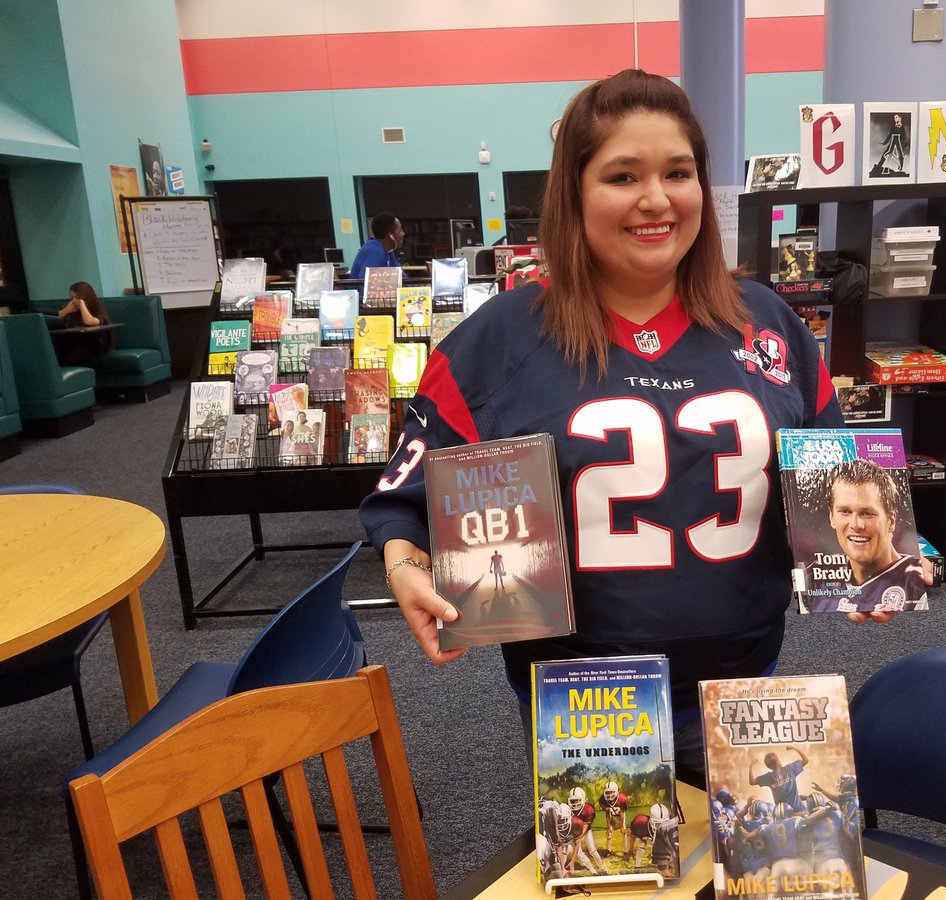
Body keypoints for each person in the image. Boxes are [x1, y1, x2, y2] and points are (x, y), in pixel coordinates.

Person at [359, 68, 913, 779]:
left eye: (677, 173)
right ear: (576, 193)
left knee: (755, 869)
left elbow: (838, 483)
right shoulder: (497, 339)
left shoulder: (770, 324)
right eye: (623, 176)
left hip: (745, 681)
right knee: (617, 869)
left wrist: (879, 564)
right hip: (585, 699)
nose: (656, 199)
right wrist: (405, 564)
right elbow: (403, 499)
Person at [824, 458, 928, 613]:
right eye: (845, 511)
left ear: (891, 521)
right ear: (832, 517)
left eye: (867, 513)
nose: (856, 524)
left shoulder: (913, 582)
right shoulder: (814, 578)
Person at [53, 281, 114, 365]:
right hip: (74, 344)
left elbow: (89, 321)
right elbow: (56, 323)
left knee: (72, 359)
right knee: (57, 352)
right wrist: (66, 311)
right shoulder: (71, 312)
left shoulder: (98, 314)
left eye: (77, 298)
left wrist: (82, 305)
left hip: (93, 346)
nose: (74, 301)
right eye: (72, 298)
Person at [349, 212, 404, 280]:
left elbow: (401, 276)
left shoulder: (389, 251)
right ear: (391, 236)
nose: (403, 234)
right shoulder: (373, 252)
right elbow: (367, 284)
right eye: (400, 231)